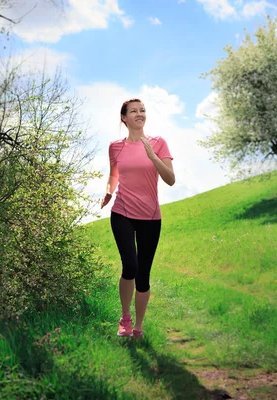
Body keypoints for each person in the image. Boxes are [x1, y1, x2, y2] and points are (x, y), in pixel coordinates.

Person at [100, 98, 175, 338]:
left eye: (142, 110)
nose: (139, 113)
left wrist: (152, 156)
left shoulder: (158, 143)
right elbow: (114, 174)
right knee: (130, 265)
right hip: (122, 212)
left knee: (143, 275)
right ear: (124, 118)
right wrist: (110, 191)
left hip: (150, 217)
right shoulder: (115, 146)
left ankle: (138, 327)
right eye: (133, 111)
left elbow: (170, 179)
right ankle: (125, 318)